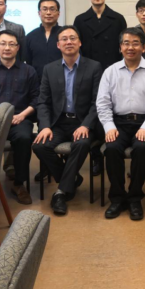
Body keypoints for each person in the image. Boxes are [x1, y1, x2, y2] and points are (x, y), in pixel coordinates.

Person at [32, 26, 103, 216]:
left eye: (73, 38)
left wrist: (86, 125)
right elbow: (43, 102)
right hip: (58, 123)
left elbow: (97, 102)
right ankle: (71, 179)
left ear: (80, 42)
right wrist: (45, 126)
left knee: (82, 144)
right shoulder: (49, 69)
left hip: (82, 123)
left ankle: (61, 192)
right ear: (58, 45)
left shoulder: (94, 67)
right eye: (64, 39)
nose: (69, 42)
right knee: (39, 145)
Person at [96, 27, 145, 221]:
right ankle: (117, 198)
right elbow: (102, 103)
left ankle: (135, 198)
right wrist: (109, 127)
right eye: (126, 43)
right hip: (119, 122)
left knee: (141, 148)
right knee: (112, 148)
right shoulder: (110, 72)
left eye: (135, 43)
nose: (130, 47)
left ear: (144, 47)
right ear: (120, 47)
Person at [0, 29, 39, 205]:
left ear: (18, 48)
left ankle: (19, 184)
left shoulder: (29, 71)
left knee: (24, 138)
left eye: (11, 44)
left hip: (20, 119)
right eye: (3, 43)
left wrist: (22, 115)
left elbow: (36, 98)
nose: (7, 48)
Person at [73, 0, 128, 71]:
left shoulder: (118, 19)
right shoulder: (80, 20)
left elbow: (124, 45)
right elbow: (77, 48)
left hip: (113, 68)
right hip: (88, 69)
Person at [23, 0, 63, 80]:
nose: (48, 13)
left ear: (58, 13)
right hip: (37, 83)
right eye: (45, 9)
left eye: (52, 9)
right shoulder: (30, 36)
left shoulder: (65, 35)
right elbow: (28, 62)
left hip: (62, 81)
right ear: (39, 13)